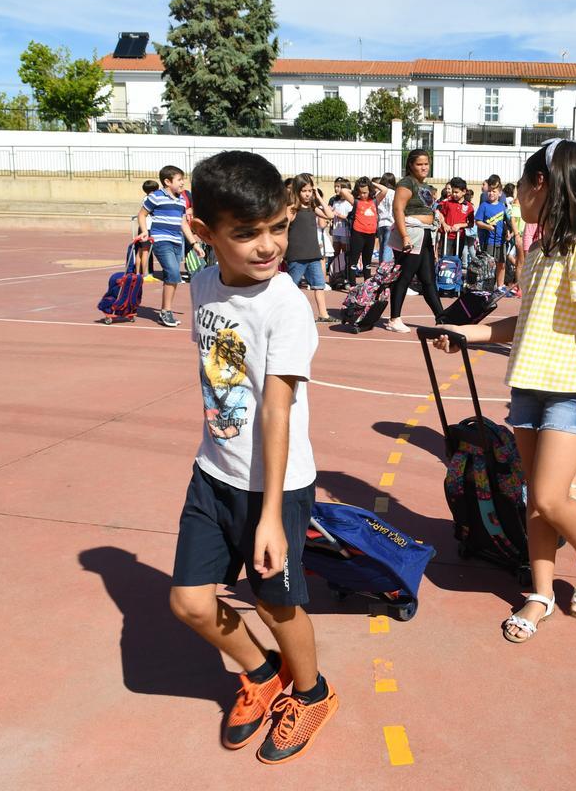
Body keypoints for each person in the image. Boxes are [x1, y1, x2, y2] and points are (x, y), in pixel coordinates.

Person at [430, 139, 576, 642]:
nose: (517, 194)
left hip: (571, 389)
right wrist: (471, 334)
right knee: (535, 497)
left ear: (541, 183)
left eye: (522, 184)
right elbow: (528, 320)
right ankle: (540, 592)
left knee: (549, 495)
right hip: (529, 384)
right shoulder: (543, 246)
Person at [172, 150, 338, 765]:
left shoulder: (286, 304)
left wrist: (270, 515)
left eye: (276, 227)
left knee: (274, 601)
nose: (268, 246)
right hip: (212, 472)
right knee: (189, 600)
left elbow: (276, 410)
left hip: (276, 486)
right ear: (203, 233)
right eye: (246, 234)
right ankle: (262, 674)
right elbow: (221, 378)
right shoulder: (203, 283)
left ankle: (313, 692)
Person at [385, 150, 445, 333]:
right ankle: (394, 319)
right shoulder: (406, 183)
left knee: (428, 280)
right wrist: (405, 237)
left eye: (426, 163)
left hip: (425, 235)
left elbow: (427, 210)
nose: (424, 167)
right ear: (411, 165)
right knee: (404, 277)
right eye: (420, 164)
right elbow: (398, 210)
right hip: (411, 236)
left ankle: (442, 318)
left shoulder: (424, 185)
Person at [139, 165, 205, 327]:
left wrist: (194, 244)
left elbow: (183, 224)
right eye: (179, 179)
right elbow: (142, 214)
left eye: (183, 179)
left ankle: (166, 310)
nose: (183, 183)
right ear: (167, 182)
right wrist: (145, 231)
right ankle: (165, 312)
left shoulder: (181, 200)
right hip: (161, 240)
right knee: (174, 273)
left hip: (177, 242)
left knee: (172, 277)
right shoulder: (155, 197)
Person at [285, 174, 336, 323]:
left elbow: (330, 215)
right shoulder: (292, 209)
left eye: (310, 191)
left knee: (319, 285)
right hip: (297, 255)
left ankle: (323, 314)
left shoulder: (313, 208)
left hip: (313, 254)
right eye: (304, 191)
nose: (307, 194)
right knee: (292, 287)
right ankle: (288, 315)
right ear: (296, 191)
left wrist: (318, 197)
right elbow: (283, 230)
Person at [476, 178, 511, 290]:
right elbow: (478, 222)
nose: (491, 193)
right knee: (489, 264)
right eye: (489, 191)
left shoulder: (502, 206)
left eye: (494, 191)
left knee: (502, 264)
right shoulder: (484, 206)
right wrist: (487, 226)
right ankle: (488, 285)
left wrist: (508, 232)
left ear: (500, 193)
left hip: (501, 241)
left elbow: (506, 222)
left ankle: (500, 285)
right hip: (489, 241)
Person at [345, 176, 379, 283]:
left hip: (371, 234)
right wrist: (356, 190)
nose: (363, 195)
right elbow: (343, 191)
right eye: (360, 192)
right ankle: (352, 284)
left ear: (370, 191)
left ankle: (367, 284)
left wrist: (372, 185)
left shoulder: (374, 201)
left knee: (367, 261)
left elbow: (385, 190)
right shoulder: (356, 201)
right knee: (353, 260)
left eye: (365, 192)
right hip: (358, 233)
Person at [134, 179, 159, 275]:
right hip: (147, 228)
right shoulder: (151, 199)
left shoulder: (145, 198)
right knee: (145, 251)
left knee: (140, 250)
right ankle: (145, 273)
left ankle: (137, 272)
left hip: (142, 227)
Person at [373, 173, 397, 263]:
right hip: (391, 223)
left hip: (380, 222)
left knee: (382, 247)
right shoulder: (395, 193)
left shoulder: (378, 193)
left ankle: (381, 268)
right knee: (388, 248)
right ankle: (385, 270)